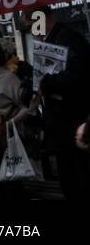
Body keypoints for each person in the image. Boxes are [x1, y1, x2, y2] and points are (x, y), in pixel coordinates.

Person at [0, 40, 35, 197]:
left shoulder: (9, 79)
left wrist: (10, 123)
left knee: (10, 182)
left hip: (6, 138)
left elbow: (28, 106)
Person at [39, 23, 90, 199]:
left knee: (78, 179)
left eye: (30, 20)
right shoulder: (50, 40)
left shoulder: (66, 38)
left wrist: (46, 82)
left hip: (74, 122)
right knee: (69, 179)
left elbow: (77, 77)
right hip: (61, 126)